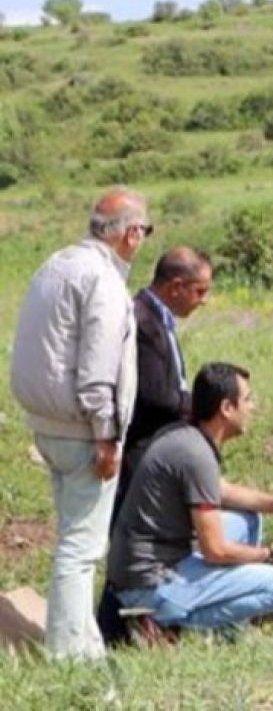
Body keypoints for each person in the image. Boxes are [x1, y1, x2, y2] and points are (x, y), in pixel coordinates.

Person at [9, 188, 150, 661]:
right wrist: (106, 433)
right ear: (131, 234)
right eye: (143, 232)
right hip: (82, 430)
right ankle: (72, 657)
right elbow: (96, 367)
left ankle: (79, 637)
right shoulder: (104, 280)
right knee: (81, 547)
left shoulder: (57, 264)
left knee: (73, 535)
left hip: (47, 423)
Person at [107, 363, 273, 637]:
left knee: (247, 520)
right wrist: (271, 555)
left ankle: (222, 626)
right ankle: (170, 625)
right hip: (150, 583)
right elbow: (215, 549)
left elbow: (221, 491)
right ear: (226, 408)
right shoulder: (196, 455)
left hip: (153, 563)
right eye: (247, 399)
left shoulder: (186, 437)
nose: (253, 407)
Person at [114, 247, 214, 525]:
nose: (203, 301)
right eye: (200, 291)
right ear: (176, 287)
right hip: (141, 446)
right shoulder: (144, 321)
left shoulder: (157, 318)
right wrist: (203, 406)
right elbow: (157, 396)